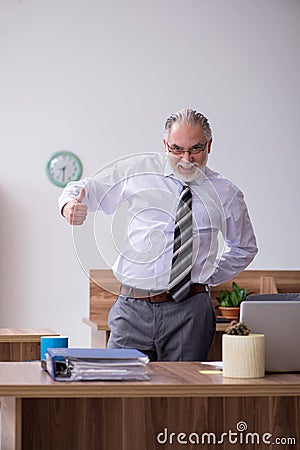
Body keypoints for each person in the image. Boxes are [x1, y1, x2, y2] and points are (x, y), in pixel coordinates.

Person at [58, 108, 258, 361]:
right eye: (176, 149)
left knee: (183, 395)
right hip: (132, 308)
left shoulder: (226, 193)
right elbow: (83, 188)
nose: (186, 159)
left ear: (209, 145)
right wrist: (68, 206)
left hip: (190, 311)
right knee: (118, 390)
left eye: (195, 149)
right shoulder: (138, 172)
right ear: (165, 145)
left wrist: (205, 275)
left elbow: (244, 248)